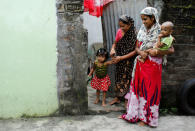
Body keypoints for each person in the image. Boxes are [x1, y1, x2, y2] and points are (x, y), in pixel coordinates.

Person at [121, 7, 174, 127]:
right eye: (142, 19)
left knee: (150, 91)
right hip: (141, 64)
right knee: (140, 90)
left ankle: (148, 118)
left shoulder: (162, 31)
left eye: (145, 19)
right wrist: (141, 52)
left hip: (153, 66)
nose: (143, 22)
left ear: (153, 18)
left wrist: (157, 52)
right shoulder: (142, 30)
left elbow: (171, 49)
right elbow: (136, 47)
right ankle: (137, 115)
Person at [109, 15, 137, 106]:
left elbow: (135, 51)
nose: (121, 28)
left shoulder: (135, 34)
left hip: (129, 61)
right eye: (120, 26)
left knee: (127, 79)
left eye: (123, 26)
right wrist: (112, 49)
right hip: (119, 60)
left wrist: (121, 58)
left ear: (129, 25)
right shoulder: (119, 32)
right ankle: (117, 98)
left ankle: (127, 100)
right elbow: (115, 43)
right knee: (118, 78)